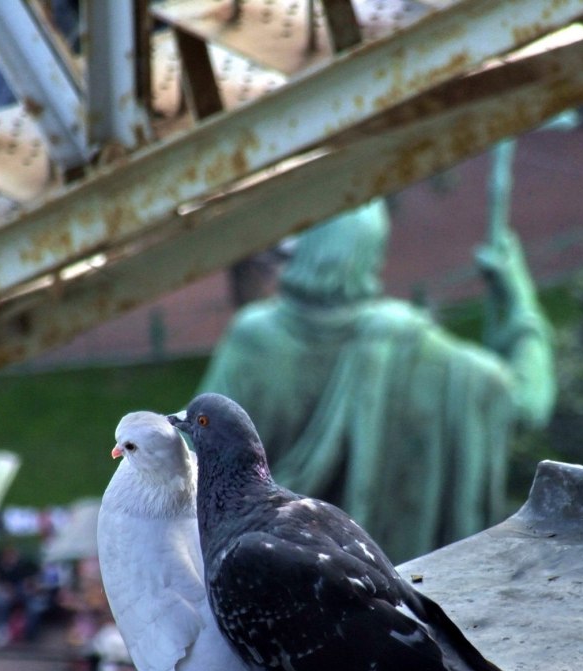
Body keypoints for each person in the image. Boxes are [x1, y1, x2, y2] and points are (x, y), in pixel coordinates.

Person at [197, 197, 555, 563]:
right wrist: (518, 299)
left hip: (271, 566)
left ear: (306, 246)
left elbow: (195, 450)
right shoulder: (412, 343)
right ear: (369, 257)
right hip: (393, 578)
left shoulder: (253, 338)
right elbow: (528, 401)